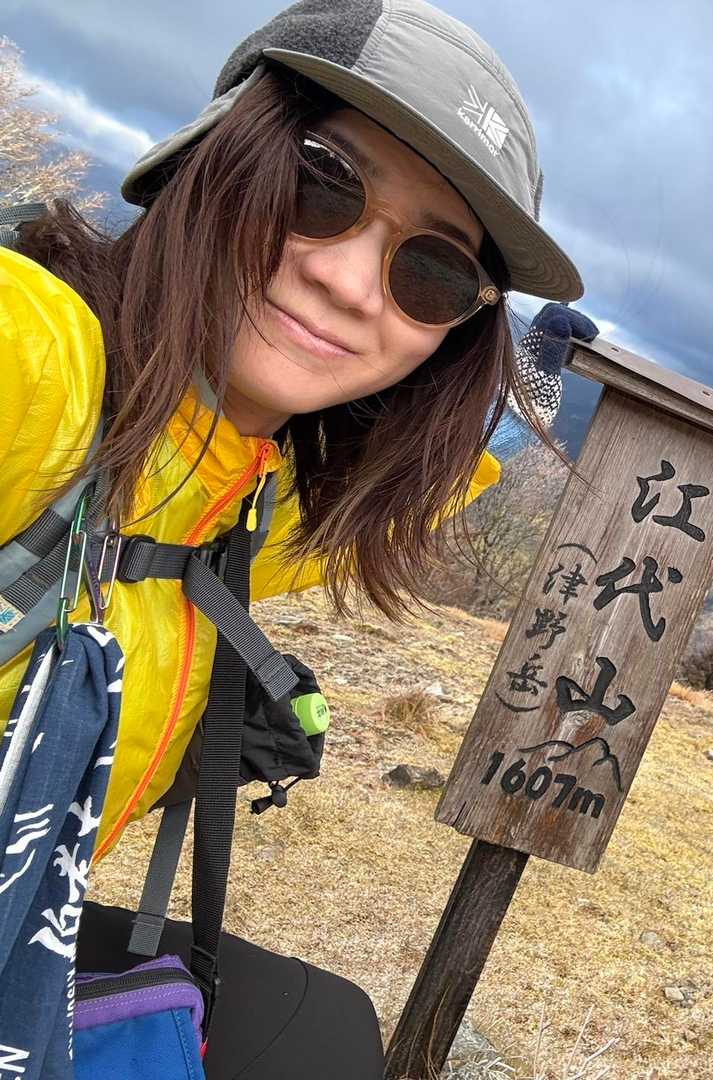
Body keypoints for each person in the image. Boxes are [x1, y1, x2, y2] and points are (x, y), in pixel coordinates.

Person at [0, 1, 583, 1075]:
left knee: (329, 1033)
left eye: (431, 273)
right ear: (217, 153)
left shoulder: (236, 509)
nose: (350, 282)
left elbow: (401, 496)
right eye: (323, 183)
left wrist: (514, 402)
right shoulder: (43, 368)